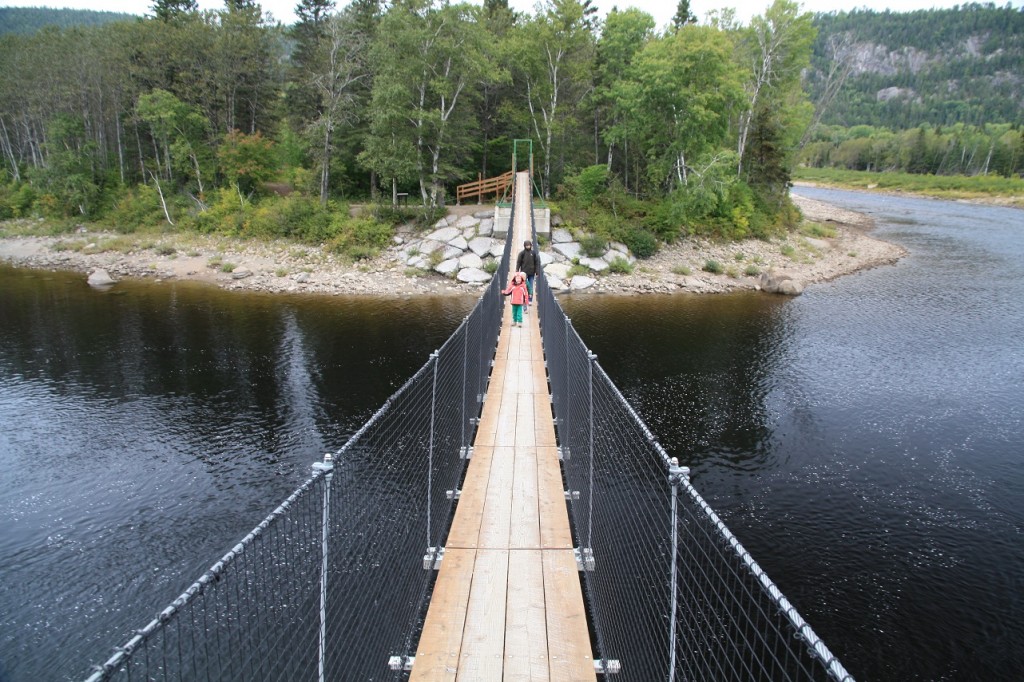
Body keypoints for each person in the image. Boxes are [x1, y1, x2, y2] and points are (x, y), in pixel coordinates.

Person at [515, 240, 537, 311]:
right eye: (526, 245)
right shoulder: (522, 253)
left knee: (530, 286)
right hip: (524, 273)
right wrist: (517, 270)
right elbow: (518, 262)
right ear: (524, 246)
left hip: (531, 273)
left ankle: (530, 300)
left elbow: (536, 262)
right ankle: (524, 300)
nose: (528, 246)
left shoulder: (533, 253)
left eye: (529, 245)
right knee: (524, 286)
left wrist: (537, 271)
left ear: (531, 245)